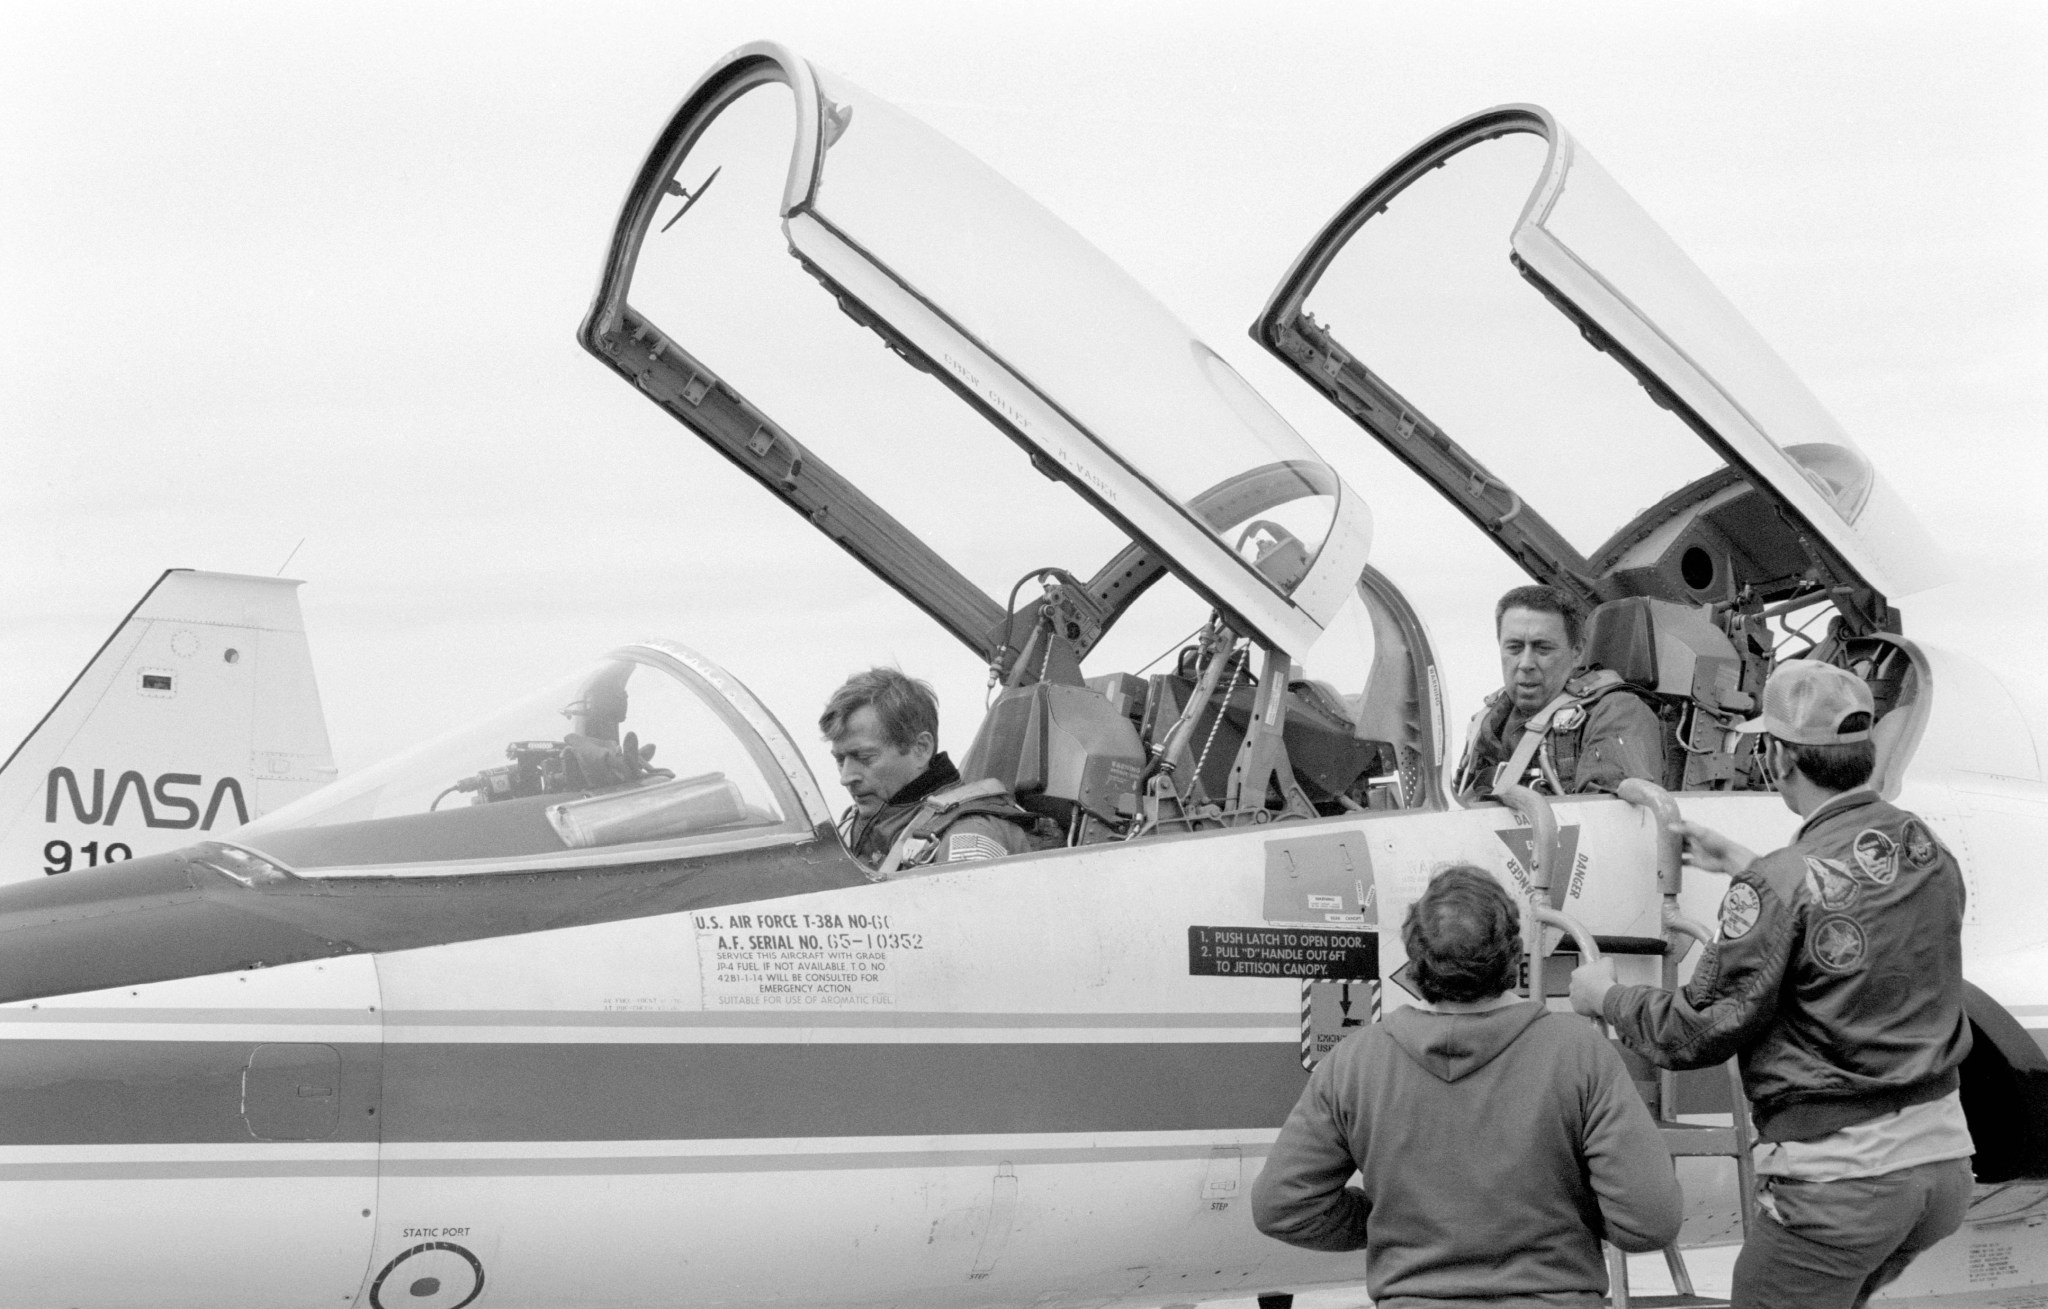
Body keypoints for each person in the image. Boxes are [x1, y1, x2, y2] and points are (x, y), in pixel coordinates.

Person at [1570, 660, 1974, 1309]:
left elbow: (1698, 1027)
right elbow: (1853, 922)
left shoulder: (1781, 881)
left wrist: (1604, 996)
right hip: (1941, 1173)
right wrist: (1748, 865)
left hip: (1844, 1187)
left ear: (1780, 756)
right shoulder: (1925, 847)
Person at [1253, 865, 1682, 1306]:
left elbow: (1283, 1205)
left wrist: (1381, 1220)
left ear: (1415, 960)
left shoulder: (1354, 1061)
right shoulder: (1580, 1053)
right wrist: (1574, 1216)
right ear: (1514, 956)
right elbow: (1649, 1220)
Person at [1454, 584, 1667, 803]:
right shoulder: (1491, 720)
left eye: (1542, 648)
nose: (1525, 663)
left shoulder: (1616, 712)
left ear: (1577, 652)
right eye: (1514, 648)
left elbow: (1611, 824)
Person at [820, 667, 1035, 876]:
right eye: (840, 760)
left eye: (865, 758)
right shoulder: (849, 831)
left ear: (921, 748)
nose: (846, 778)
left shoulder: (969, 837)